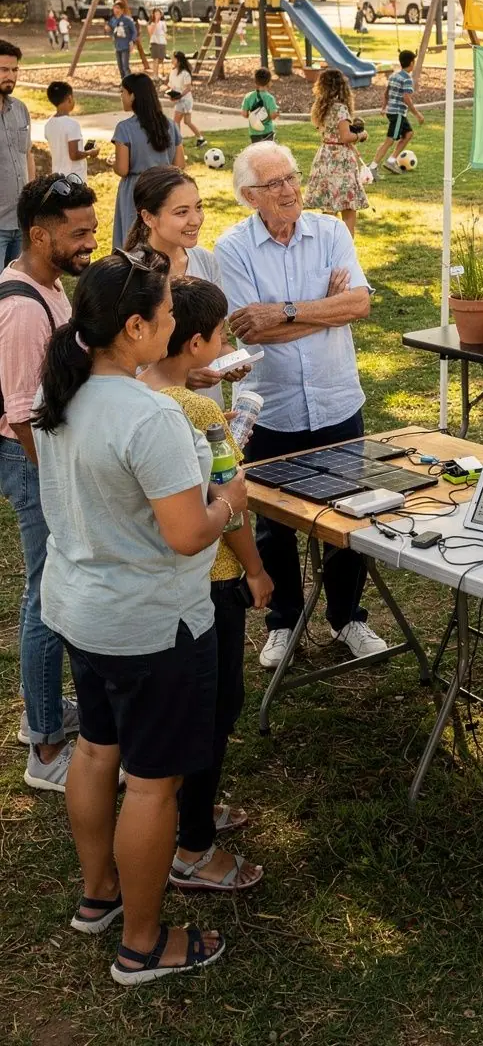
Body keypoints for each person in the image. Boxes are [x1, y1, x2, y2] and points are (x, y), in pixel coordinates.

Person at [32, 248, 245, 984]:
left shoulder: (63, 391)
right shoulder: (150, 416)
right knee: (153, 784)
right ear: (132, 327)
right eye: (163, 317)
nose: (171, 325)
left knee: (96, 750)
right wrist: (229, 504)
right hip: (152, 624)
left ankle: (101, 895)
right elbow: (188, 532)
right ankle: (145, 942)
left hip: (82, 607)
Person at [214, 140, 388, 668]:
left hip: (337, 400)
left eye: (292, 177)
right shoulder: (233, 248)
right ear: (249, 196)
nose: (290, 190)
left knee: (347, 513)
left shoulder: (331, 230)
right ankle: (284, 621)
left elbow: (359, 303)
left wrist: (286, 311)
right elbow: (252, 330)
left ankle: (347, 617)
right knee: (274, 522)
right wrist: (324, 311)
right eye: (274, 184)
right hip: (274, 406)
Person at [140, 275, 272, 892]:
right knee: (217, 710)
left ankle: (192, 811)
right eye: (219, 334)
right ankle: (193, 843)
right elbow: (231, 504)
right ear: (195, 342)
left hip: (156, 588)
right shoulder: (196, 409)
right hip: (212, 582)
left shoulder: (138, 394)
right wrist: (255, 568)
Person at [0, 174, 97, 791]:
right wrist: (55, 483)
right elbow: (19, 415)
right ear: (40, 235)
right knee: (46, 601)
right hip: (32, 463)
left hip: (46, 460)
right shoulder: (20, 309)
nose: (91, 241)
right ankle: (44, 747)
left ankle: (41, 707)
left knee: (47, 593)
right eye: (78, 232)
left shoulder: (52, 286)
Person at [124, 164, 252, 404]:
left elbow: (218, 339)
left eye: (199, 207)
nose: (196, 220)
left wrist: (230, 360)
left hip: (206, 410)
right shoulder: (131, 273)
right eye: (181, 212)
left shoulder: (205, 260)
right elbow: (122, 362)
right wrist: (178, 373)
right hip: (157, 409)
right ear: (148, 217)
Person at [111, 71, 184, 250]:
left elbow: (122, 169)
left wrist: (111, 162)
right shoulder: (170, 125)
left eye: (123, 92)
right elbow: (180, 165)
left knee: (133, 240)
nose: (121, 96)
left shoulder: (124, 128)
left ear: (133, 95)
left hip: (136, 190)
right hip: (165, 187)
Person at [303, 67, 369, 236]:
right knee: (348, 206)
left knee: (328, 206)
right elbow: (346, 136)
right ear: (342, 86)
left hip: (325, 155)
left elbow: (330, 132)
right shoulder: (340, 109)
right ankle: (346, 248)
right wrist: (361, 135)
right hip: (340, 160)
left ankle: (328, 246)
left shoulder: (321, 107)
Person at [0, 39, 34, 266]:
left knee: (17, 290)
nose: (10, 75)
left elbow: (27, 154)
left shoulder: (20, 109)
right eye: (3, 69)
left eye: (14, 70)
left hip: (21, 222)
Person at [369, 49, 424, 178]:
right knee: (389, 141)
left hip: (392, 112)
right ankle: (372, 167)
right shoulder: (407, 79)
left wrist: (384, 107)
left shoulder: (394, 76)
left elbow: (386, 93)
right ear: (411, 63)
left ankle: (391, 161)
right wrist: (417, 114)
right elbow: (406, 98)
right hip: (398, 113)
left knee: (409, 133)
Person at [43, 80, 98, 181]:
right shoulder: (72, 124)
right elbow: (74, 155)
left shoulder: (48, 124)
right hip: (74, 179)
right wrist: (91, 152)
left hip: (57, 177)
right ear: (69, 98)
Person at [167, 50, 206, 148]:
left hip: (185, 100)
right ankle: (201, 139)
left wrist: (179, 96)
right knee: (187, 122)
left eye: (174, 59)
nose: (172, 61)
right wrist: (172, 95)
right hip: (179, 99)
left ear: (179, 61)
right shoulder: (172, 72)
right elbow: (172, 86)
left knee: (176, 122)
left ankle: (178, 143)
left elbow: (188, 88)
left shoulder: (185, 74)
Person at [241, 67, 279, 144]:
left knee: (257, 153)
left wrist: (254, 115)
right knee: (268, 152)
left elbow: (244, 114)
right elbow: (272, 116)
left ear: (255, 82)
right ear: (269, 82)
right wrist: (277, 113)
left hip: (254, 132)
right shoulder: (270, 98)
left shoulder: (248, 96)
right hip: (267, 131)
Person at [107, 0, 138, 80]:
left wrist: (132, 41)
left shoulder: (127, 20)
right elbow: (110, 31)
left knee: (125, 66)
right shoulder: (112, 20)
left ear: (122, 10)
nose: (116, 10)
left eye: (118, 8)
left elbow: (134, 31)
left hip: (125, 46)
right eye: (114, 8)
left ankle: (130, 84)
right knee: (120, 66)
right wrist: (108, 30)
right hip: (117, 46)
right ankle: (123, 83)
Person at [147, 9, 167, 83]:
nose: (157, 15)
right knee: (155, 59)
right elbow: (151, 33)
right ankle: (155, 75)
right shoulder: (150, 23)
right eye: (156, 14)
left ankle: (158, 73)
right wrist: (155, 22)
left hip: (162, 42)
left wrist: (165, 40)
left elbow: (164, 32)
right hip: (154, 42)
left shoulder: (163, 23)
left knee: (161, 59)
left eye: (159, 14)